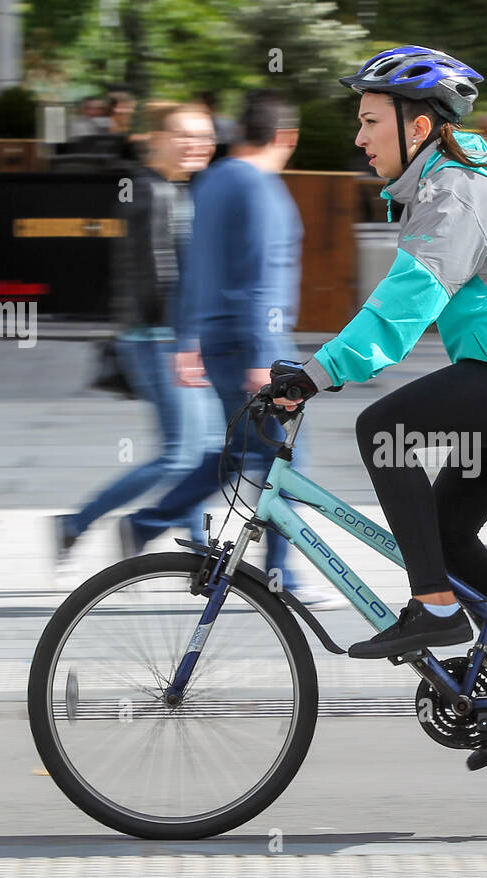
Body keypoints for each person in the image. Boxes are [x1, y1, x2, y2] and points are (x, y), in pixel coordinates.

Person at [266, 46, 487, 733]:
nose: (358, 137)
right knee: (450, 523)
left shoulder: (455, 193)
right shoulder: (446, 188)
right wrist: (320, 369)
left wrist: (315, 374)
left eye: (371, 122)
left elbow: (400, 312)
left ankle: (433, 606)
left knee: (386, 432)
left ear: (419, 129)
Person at [120, 90, 331, 606]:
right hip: (253, 341)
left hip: (217, 336)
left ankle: (147, 522)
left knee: (241, 454)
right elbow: (260, 276)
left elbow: (192, 265)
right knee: (286, 455)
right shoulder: (260, 187)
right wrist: (263, 357)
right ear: (287, 138)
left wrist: (188, 337)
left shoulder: (210, 182)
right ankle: (282, 578)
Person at [54, 102, 219, 558]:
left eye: (204, 137)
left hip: (166, 336)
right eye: (184, 136)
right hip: (158, 339)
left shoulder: (170, 188)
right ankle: (79, 522)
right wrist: (183, 343)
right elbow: (157, 278)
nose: (197, 145)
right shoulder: (151, 193)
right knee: (181, 455)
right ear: (156, 141)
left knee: (204, 449)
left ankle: (196, 550)